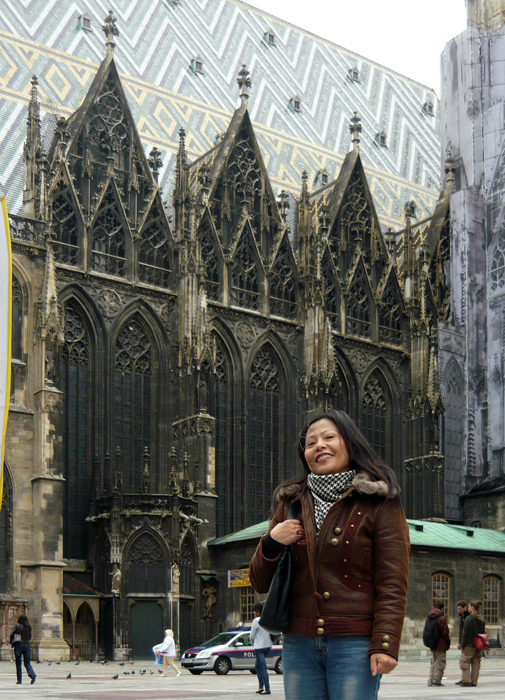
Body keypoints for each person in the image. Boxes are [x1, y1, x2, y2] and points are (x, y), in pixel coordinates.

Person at [249, 410, 410, 700]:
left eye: (329, 437)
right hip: (298, 644)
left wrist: (385, 644)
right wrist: (272, 542)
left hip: (355, 643)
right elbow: (259, 582)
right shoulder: (290, 503)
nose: (319, 445)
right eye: (310, 443)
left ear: (349, 443)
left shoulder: (379, 502)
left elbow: (392, 582)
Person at [459, 599, 486, 687]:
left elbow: (465, 633)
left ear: (473, 607)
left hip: (469, 644)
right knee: (476, 663)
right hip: (478, 644)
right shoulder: (482, 618)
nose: (468, 608)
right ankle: (474, 681)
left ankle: (467, 681)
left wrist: (462, 645)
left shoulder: (468, 619)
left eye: (469, 607)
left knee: (464, 662)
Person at [426, 599, 450, 686]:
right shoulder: (441, 618)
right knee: (440, 663)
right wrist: (447, 642)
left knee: (433, 662)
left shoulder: (429, 617)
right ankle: (436, 681)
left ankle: (430, 680)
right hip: (441, 644)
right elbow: (445, 632)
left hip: (432, 643)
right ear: (442, 608)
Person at [250, 602, 273, 695]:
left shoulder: (256, 621)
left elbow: (252, 635)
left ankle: (266, 688)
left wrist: (253, 644)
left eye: (255, 611)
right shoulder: (267, 618)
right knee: (258, 666)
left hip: (259, 647)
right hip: (268, 645)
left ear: (258, 612)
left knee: (262, 667)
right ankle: (260, 687)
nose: (254, 613)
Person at [10, 613, 36, 685]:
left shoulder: (18, 626)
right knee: (27, 663)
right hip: (27, 645)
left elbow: (11, 634)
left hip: (19, 645)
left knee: (18, 663)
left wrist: (12, 642)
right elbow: (30, 637)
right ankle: (32, 674)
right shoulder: (29, 627)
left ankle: (19, 680)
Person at [454, 600, 470, 685]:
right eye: (458, 609)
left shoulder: (468, 617)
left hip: (467, 643)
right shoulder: (462, 616)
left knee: (464, 662)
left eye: (460, 609)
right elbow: (461, 631)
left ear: (465, 607)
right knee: (464, 661)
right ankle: (464, 678)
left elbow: (465, 632)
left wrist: (462, 643)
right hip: (463, 642)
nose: (458, 610)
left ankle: (466, 679)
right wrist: (460, 642)